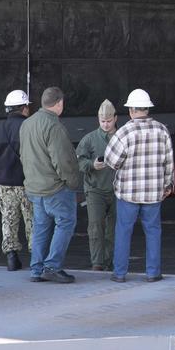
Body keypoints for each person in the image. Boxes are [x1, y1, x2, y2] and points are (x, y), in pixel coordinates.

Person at [104, 88, 174, 283]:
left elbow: (112, 161)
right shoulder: (162, 130)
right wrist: (167, 186)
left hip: (128, 193)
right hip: (154, 192)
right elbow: (169, 162)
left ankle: (119, 273)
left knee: (123, 232)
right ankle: (153, 273)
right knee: (153, 231)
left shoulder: (125, 131)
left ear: (132, 110)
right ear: (147, 109)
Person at [18, 86, 82, 284]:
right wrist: (73, 183)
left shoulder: (26, 124)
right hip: (55, 188)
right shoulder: (54, 127)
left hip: (34, 188)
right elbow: (63, 161)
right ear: (60, 103)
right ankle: (52, 266)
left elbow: (23, 156)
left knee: (41, 228)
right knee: (65, 222)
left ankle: (36, 270)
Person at [0, 89, 34, 271]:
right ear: (23, 108)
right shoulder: (28, 127)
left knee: (8, 219)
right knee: (32, 219)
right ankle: (37, 258)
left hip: (4, 182)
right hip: (26, 182)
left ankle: (11, 257)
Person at [75, 100, 118, 271]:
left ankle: (110, 260)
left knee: (112, 228)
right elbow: (78, 161)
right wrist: (92, 164)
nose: (106, 125)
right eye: (102, 121)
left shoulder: (122, 137)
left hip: (117, 190)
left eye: (108, 121)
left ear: (115, 118)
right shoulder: (90, 139)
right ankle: (97, 263)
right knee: (95, 227)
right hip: (95, 190)